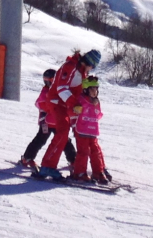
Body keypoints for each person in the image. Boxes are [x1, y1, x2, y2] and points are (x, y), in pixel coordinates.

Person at [36, 48, 101, 180]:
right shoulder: (71, 66)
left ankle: (85, 168)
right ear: (89, 62)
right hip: (57, 102)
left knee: (80, 132)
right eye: (92, 66)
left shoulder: (82, 72)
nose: (91, 69)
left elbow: (81, 90)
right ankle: (47, 166)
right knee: (62, 133)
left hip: (67, 105)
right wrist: (74, 104)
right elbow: (62, 88)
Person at [19, 68, 76, 167]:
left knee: (65, 141)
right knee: (40, 139)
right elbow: (40, 104)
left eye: (54, 82)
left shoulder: (59, 92)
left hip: (58, 121)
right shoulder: (45, 92)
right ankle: (27, 157)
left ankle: (73, 160)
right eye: (50, 82)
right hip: (46, 122)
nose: (52, 85)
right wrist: (53, 107)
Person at [70, 76, 110, 184]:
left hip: (93, 131)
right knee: (83, 152)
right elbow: (72, 111)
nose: (94, 92)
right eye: (92, 89)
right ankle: (79, 173)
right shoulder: (81, 99)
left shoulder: (97, 102)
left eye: (96, 89)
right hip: (82, 130)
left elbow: (99, 115)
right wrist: (76, 110)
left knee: (95, 152)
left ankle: (98, 172)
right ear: (86, 90)